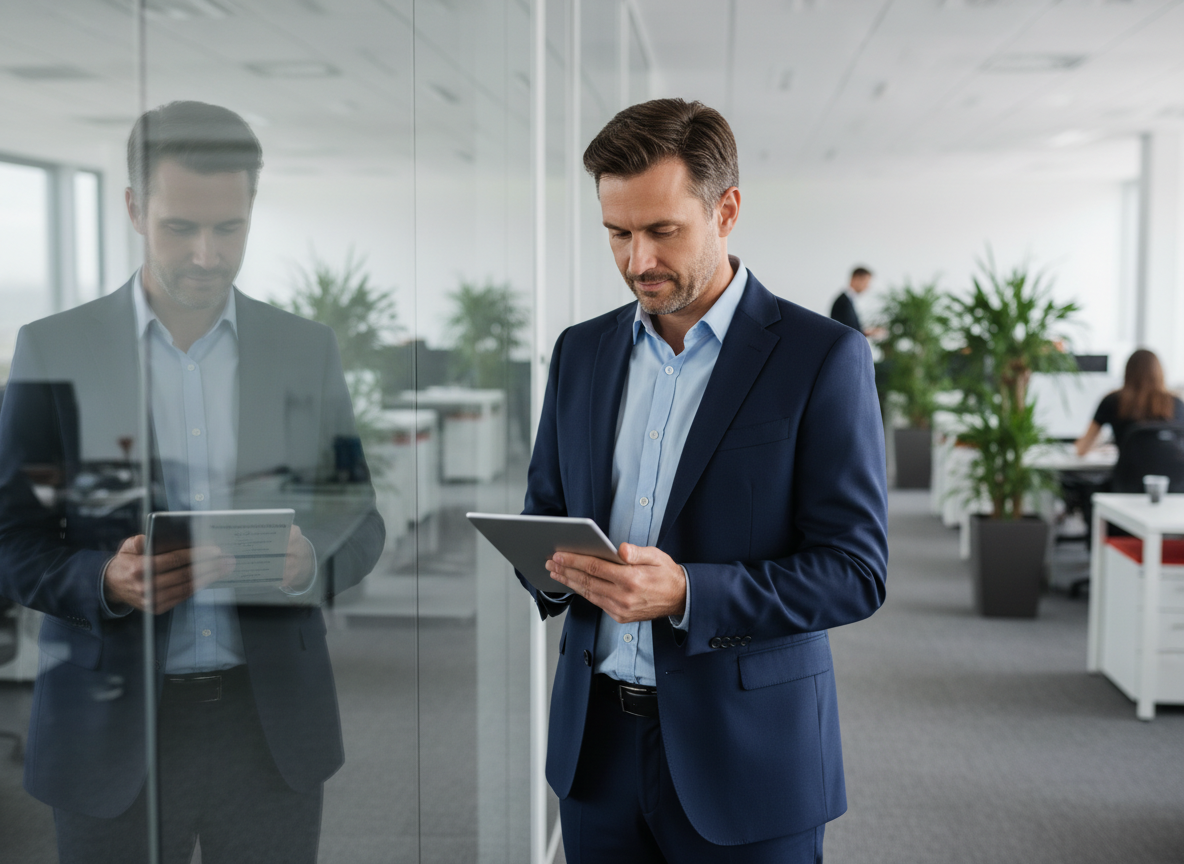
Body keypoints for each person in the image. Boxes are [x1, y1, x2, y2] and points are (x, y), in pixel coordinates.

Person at [0, 101, 385, 863]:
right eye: (182, 228)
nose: (207, 255)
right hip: (110, 732)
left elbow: (360, 520)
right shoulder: (55, 349)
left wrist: (313, 562)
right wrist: (104, 579)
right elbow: (13, 537)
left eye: (229, 228)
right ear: (136, 209)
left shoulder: (301, 350)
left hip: (267, 731)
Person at [519, 98, 888, 863]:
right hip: (597, 752)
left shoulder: (821, 357)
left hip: (748, 755)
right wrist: (551, 567)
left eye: (662, 231)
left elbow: (855, 572)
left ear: (726, 210)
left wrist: (690, 592)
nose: (637, 261)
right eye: (617, 234)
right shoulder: (581, 354)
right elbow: (547, 509)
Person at [1076, 348, 1184, 456]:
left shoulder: (1112, 400)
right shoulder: (1177, 403)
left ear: (1127, 372)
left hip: (1129, 472)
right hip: (1171, 472)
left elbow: (1082, 449)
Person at [829, 266, 880, 337]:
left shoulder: (847, 300)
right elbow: (849, 329)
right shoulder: (843, 302)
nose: (867, 287)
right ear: (856, 279)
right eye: (866, 282)